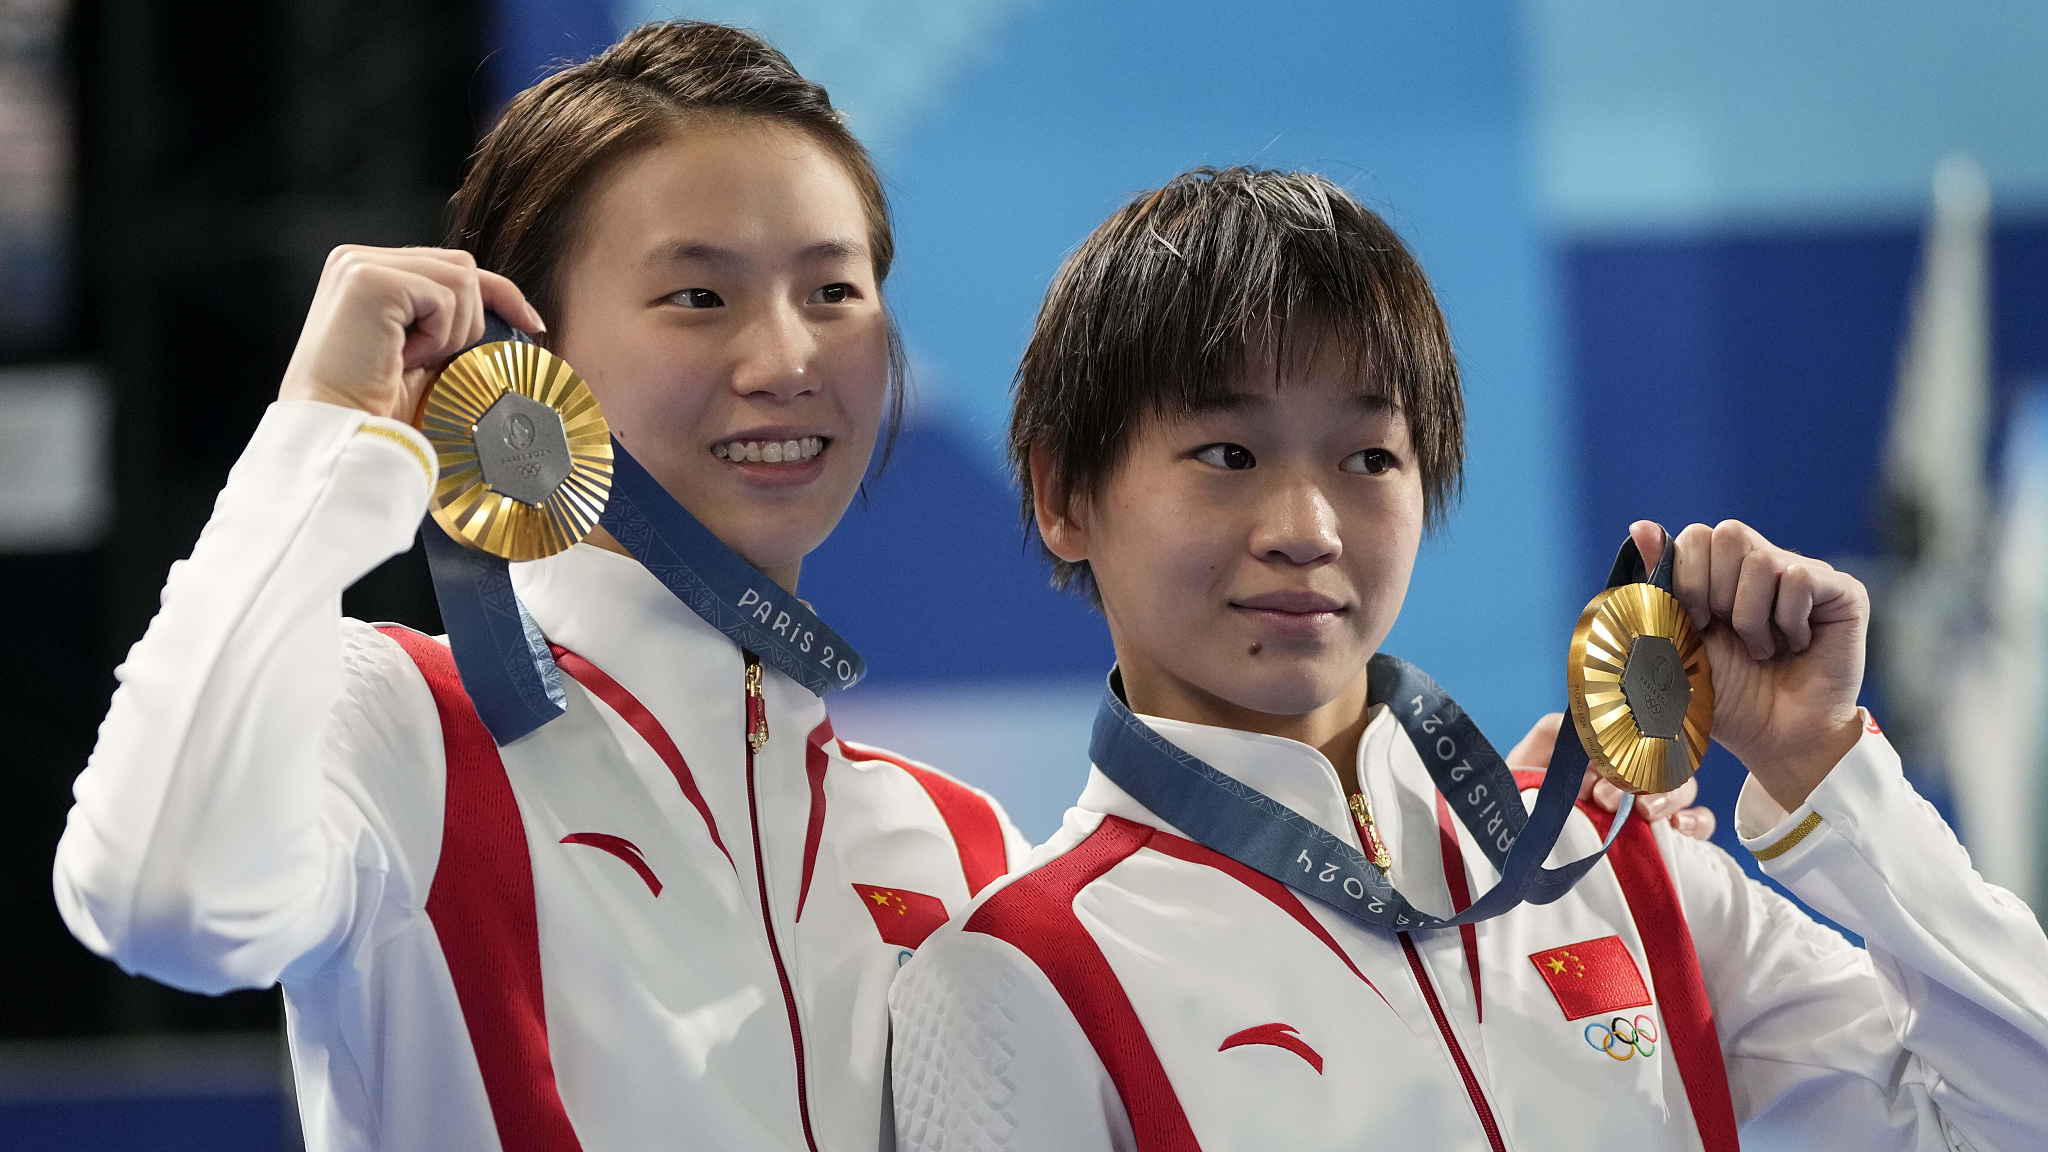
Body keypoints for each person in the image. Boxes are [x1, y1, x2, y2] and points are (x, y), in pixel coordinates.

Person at [888, 167, 2048, 1151]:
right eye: (1227, 451)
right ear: (1059, 494)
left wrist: (1824, 768)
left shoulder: (1618, 871)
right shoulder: (1020, 976)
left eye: (1367, 457)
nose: (1306, 525)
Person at [53, 21, 1025, 1152]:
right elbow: (163, 901)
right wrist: (322, 445)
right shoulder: (404, 731)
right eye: (698, 298)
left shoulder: (957, 847)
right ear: (528, 357)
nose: (786, 361)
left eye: (832, 291)